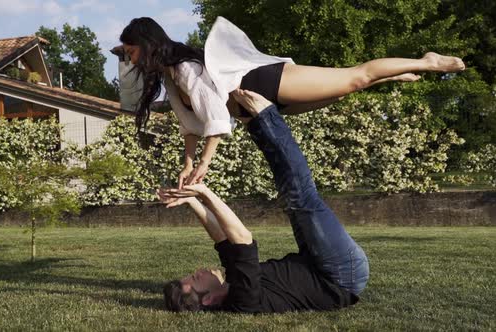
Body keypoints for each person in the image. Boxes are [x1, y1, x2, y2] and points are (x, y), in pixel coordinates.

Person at [119, 16, 465, 188]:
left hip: (264, 82)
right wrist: (187, 162)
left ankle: (426, 61)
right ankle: (390, 74)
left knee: (354, 76)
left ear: (148, 44)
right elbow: (190, 125)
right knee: (345, 88)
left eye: (132, 51)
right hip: (259, 103)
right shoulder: (170, 76)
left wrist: (204, 162)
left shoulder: (185, 68)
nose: (131, 60)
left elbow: (212, 114)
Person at [158, 89, 369, 313]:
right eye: (196, 278)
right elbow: (243, 238)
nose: (198, 271)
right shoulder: (243, 299)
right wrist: (205, 193)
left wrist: (193, 202)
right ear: (208, 299)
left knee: (293, 196)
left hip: (316, 262)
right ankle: (267, 115)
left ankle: (253, 121)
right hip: (340, 275)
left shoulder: (234, 282)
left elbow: (222, 236)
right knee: (302, 197)